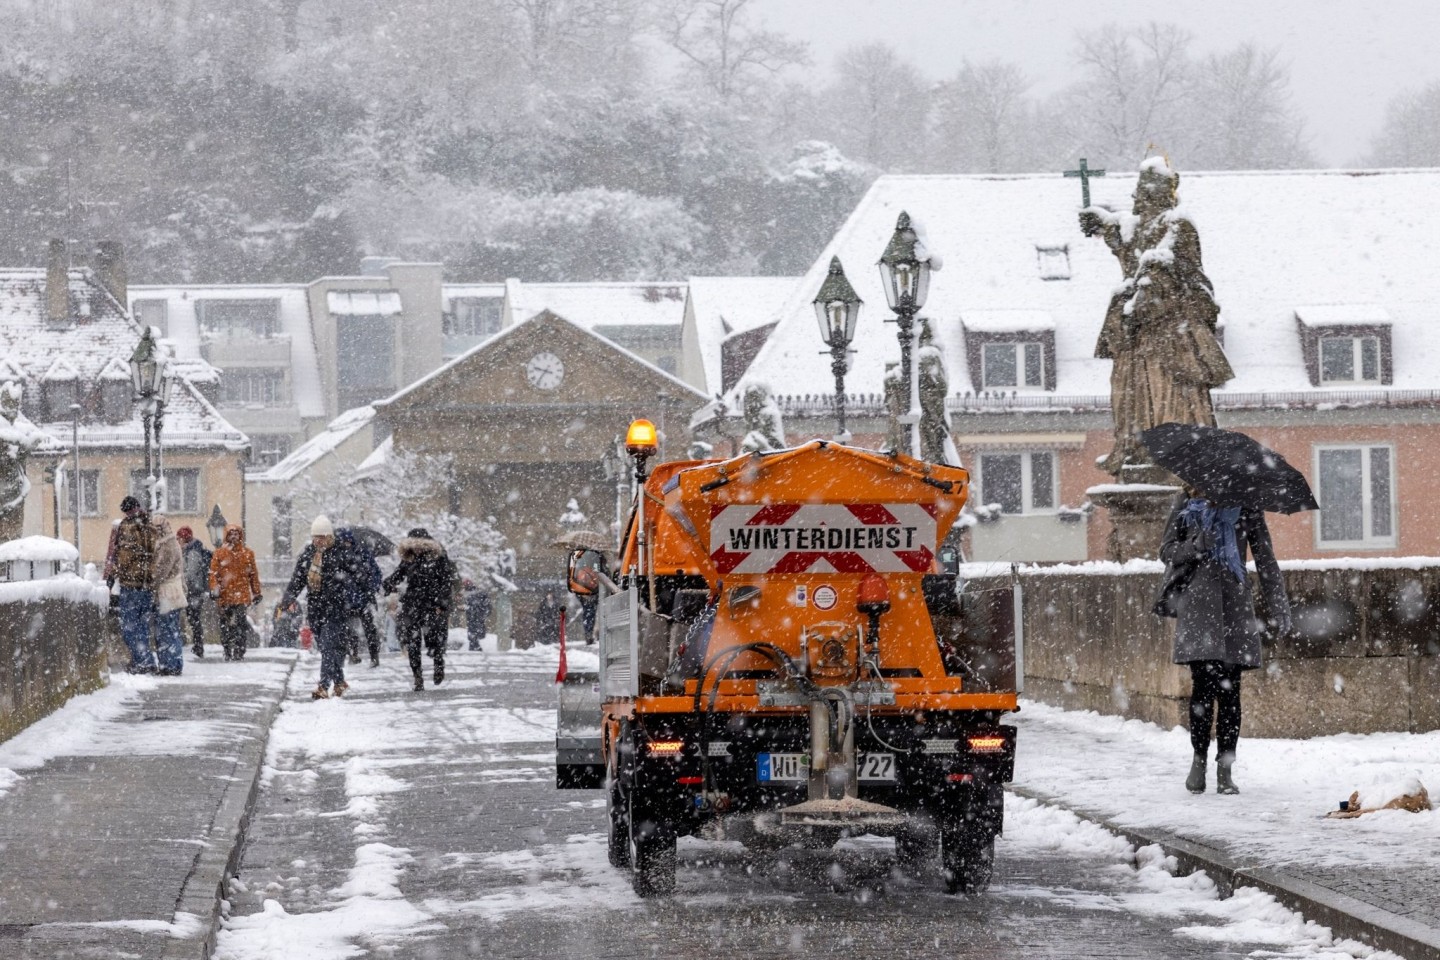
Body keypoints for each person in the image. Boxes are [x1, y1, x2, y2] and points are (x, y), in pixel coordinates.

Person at [1080, 158, 1234, 476]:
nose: (1135, 200)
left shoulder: (1176, 224)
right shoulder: (1139, 227)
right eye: (1136, 194)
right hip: (1137, 335)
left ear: (1159, 195)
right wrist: (1099, 220)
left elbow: (1171, 266)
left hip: (1171, 331)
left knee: (1171, 392)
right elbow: (1120, 233)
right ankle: (1138, 447)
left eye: (1141, 193)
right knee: (1131, 394)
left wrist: (1150, 287)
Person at [1154, 489, 1291, 795]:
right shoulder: (1185, 503)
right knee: (1203, 687)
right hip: (1198, 608)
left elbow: (1266, 558)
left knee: (1231, 691)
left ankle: (1225, 769)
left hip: (1235, 608)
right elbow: (1166, 552)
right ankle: (1198, 761)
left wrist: (1279, 604)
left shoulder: (1247, 506)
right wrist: (1194, 545)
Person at [281, 515, 370, 699]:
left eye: (321, 537)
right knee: (325, 647)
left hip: (337, 608)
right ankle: (339, 682)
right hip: (316, 609)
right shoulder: (308, 555)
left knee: (329, 645)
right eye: (315, 537)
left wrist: (353, 592)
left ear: (330, 537)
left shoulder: (342, 554)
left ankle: (323, 686)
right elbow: (297, 580)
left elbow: (359, 576)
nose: (318, 541)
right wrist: (287, 600)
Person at [383, 528, 458, 692]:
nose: (416, 549)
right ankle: (418, 676)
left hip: (433, 603)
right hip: (413, 603)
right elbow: (398, 574)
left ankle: (439, 663)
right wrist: (388, 584)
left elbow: (446, 582)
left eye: (419, 546)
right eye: (412, 546)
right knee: (412, 641)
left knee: (436, 638)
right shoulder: (409, 558)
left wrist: (442, 604)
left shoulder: (438, 558)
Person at [105, 495, 158, 674]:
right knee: (142, 625)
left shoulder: (127, 526)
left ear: (126, 510)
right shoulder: (150, 525)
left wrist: (112, 575)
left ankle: (141, 661)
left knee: (128, 626)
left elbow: (123, 557)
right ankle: (145, 660)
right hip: (148, 584)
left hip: (132, 583)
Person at [209, 524, 263, 661]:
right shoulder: (219, 553)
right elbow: (214, 574)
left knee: (240, 624)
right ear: (227, 536)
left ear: (240, 536)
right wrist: (215, 589)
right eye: (231, 534)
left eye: (236, 534)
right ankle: (227, 649)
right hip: (224, 595)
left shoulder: (247, 554)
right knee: (225, 624)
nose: (234, 536)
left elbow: (253, 575)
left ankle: (239, 650)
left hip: (241, 595)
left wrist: (256, 593)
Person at [336, 528, 383, 667]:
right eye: (344, 541)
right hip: (349, 599)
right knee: (349, 629)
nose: (346, 543)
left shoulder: (362, 554)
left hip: (361, 598)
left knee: (367, 629)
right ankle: (354, 654)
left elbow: (376, 574)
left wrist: (370, 588)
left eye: (348, 541)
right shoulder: (339, 556)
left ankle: (372, 656)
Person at [150, 515, 186, 676]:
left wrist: (150, 583)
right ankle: (172, 663)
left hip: (167, 593)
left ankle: (170, 665)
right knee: (170, 629)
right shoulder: (171, 544)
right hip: (172, 591)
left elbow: (160, 572)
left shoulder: (167, 546)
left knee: (166, 629)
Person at [176, 526, 212, 659]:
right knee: (193, 619)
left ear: (184, 539)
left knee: (194, 619)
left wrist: (179, 578)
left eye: (179, 538)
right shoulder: (189, 550)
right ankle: (197, 645)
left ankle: (198, 646)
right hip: (192, 591)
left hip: (193, 591)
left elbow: (190, 573)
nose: (177, 541)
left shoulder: (192, 552)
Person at [566, 547, 607, 645]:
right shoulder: (595, 564)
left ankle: (589, 634)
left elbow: (575, 579)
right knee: (591, 613)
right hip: (593, 593)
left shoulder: (579, 562)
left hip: (585, 594)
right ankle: (590, 634)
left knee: (588, 613)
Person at [464, 579, 492, 651]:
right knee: (475, 630)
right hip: (476, 615)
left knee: (474, 630)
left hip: (475, 615)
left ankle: (474, 644)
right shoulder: (476, 594)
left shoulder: (474, 595)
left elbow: (485, 603)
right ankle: (474, 644)